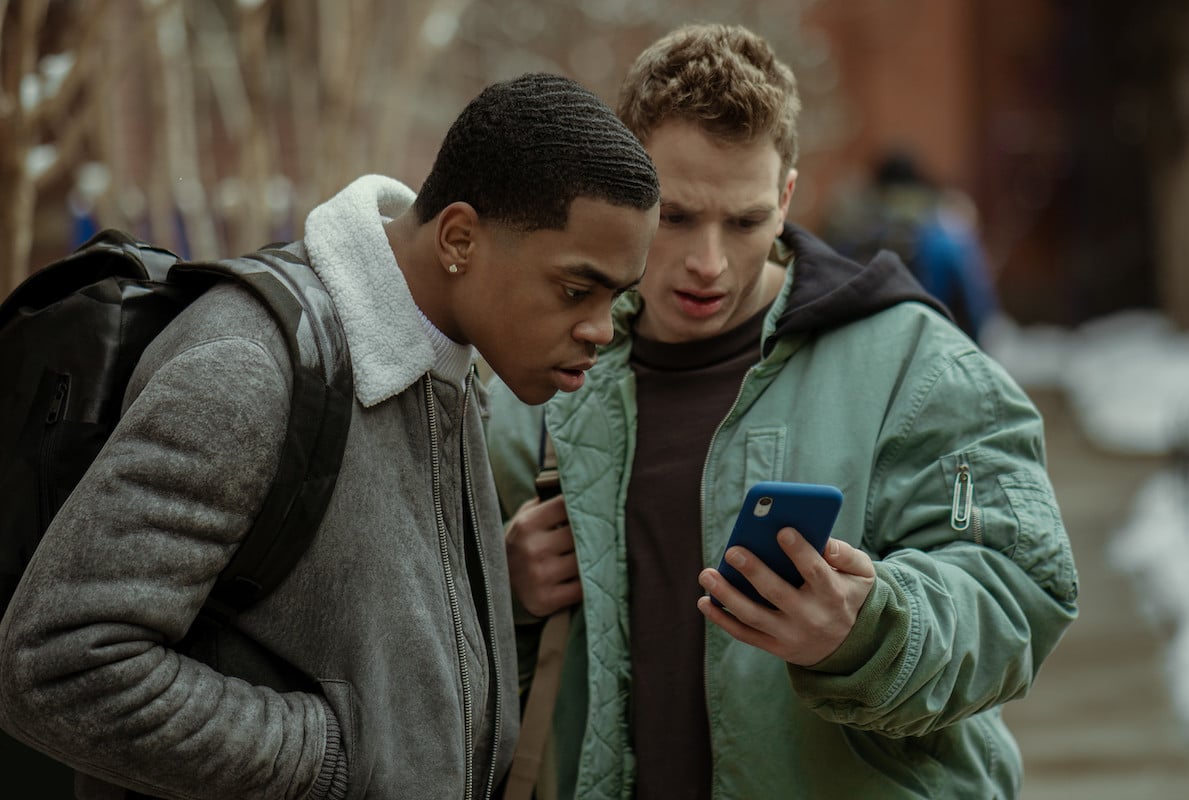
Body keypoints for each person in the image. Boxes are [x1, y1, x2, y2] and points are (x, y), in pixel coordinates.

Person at [0, 72, 659, 800]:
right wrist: (336, 761)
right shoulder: (249, 367)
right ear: (460, 237)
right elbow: (57, 665)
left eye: (616, 298)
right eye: (576, 290)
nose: (601, 329)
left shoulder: (453, 358)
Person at [486, 25, 1078, 800]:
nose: (709, 261)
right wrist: (503, 591)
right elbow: (433, 662)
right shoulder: (536, 378)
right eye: (676, 216)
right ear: (622, 183)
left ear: (788, 196)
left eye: (744, 222)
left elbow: (1019, 587)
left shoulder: (917, 367)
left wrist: (867, 632)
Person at [823, 149, 1000, 343]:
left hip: (865, 343)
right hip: (934, 342)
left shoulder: (853, 231)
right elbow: (976, 307)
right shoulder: (942, 235)